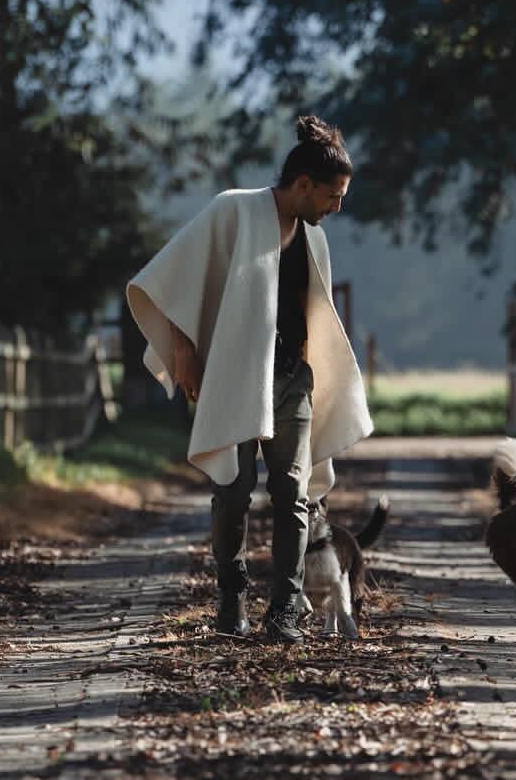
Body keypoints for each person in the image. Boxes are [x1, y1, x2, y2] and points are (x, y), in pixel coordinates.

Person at [125, 116, 372, 642]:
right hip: (235, 375)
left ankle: (285, 605)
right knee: (233, 491)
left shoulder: (314, 239)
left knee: (293, 491)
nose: (338, 206)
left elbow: (314, 316)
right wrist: (184, 350)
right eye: (333, 195)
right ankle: (231, 595)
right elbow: (168, 277)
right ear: (303, 184)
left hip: (291, 379)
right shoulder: (233, 209)